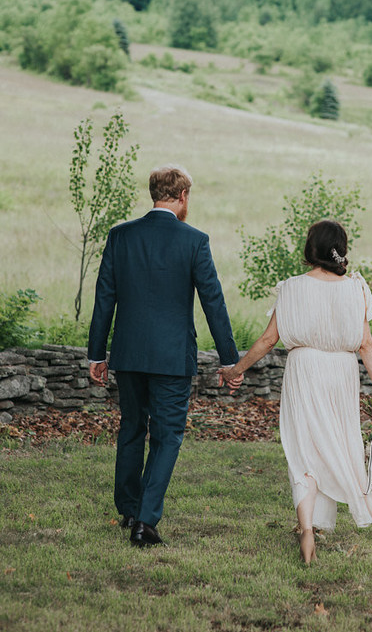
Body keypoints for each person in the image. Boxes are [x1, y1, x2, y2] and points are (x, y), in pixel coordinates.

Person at [88, 165, 243, 547]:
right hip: (172, 357)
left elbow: (104, 296)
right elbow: (213, 302)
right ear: (183, 196)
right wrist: (229, 360)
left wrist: (96, 354)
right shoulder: (195, 240)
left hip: (127, 353)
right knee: (168, 436)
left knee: (131, 429)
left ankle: (129, 509)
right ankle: (145, 521)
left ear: (154, 193)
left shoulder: (120, 236)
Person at [221, 219, 372, 564]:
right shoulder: (355, 287)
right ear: (340, 248)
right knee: (335, 443)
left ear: (310, 249)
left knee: (303, 450)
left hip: (304, 372)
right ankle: (313, 526)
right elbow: (366, 344)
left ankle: (307, 528)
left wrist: (236, 370)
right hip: (341, 374)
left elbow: (269, 340)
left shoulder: (291, 288)